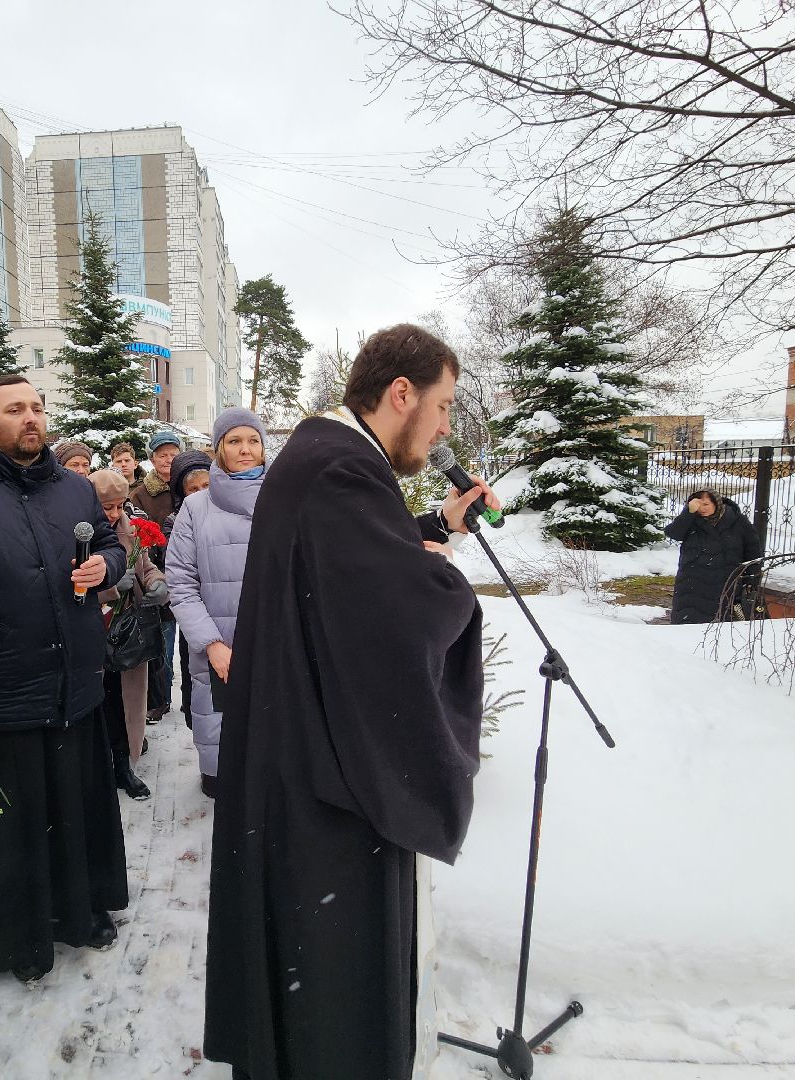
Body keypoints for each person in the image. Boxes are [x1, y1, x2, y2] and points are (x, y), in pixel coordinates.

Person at [203, 324, 497, 1080]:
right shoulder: (340, 472)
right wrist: (454, 593)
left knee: (305, 971)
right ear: (401, 394)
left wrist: (437, 526)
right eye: (441, 407)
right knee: (335, 989)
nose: (442, 428)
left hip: (291, 748)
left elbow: (350, 562)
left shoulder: (323, 457)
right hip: (322, 785)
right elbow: (393, 610)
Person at [0, 374, 130, 982]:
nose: (31, 417)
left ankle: (85, 913)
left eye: (37, 407)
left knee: (77, 808)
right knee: (15, 825)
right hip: (4, 684)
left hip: (76, 681)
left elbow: (115, 547)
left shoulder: (75, 490)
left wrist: (104, 564)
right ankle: (21, 943)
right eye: (15, 409)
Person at [166, 409, 267, 799]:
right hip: (218, 646)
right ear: (219, 449)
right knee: (222, 766)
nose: (245, 449)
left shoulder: (285, 501)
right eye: (234, 441)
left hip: (272, 644)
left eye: (253, 440)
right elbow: (180, 581)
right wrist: (212, 643)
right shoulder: (197, 507)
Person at [91, 469, 171, 801]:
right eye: (105, 507)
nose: (113, 514)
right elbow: (67, 587)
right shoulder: (79, 532)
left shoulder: (129, 527)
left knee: (126, 704)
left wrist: (156, 583)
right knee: (100, 706)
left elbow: (146, 566)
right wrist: (108, 588)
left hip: (128, 635)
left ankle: (124, 766)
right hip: (93, 635)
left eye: (118, 505)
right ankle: (97, 769)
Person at [133, 431, 182, 720]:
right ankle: (160, 697)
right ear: (152, 459)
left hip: (190, 572)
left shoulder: (187, 486)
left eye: (172, 453)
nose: (168, 459)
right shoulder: (140, 494)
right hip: (158, 573)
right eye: (162, 454)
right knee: (164, 637)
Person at [165, 448, 213, 727]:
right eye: (192, 488)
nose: (199, 492)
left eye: (206, 485)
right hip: (193, 612)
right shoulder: (175, 522)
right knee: (196, 674)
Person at [665, 488, 763, 623]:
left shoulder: (737, 521)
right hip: (692, 583)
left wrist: (752, 577)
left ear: (716, 503)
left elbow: (752, 550)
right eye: (698, 505)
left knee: (724, 625)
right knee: (689, 627)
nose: (702, 509)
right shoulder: (691, 520)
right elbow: (674, 533)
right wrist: (688, 512)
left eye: (706, 504)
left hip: (726, 581)